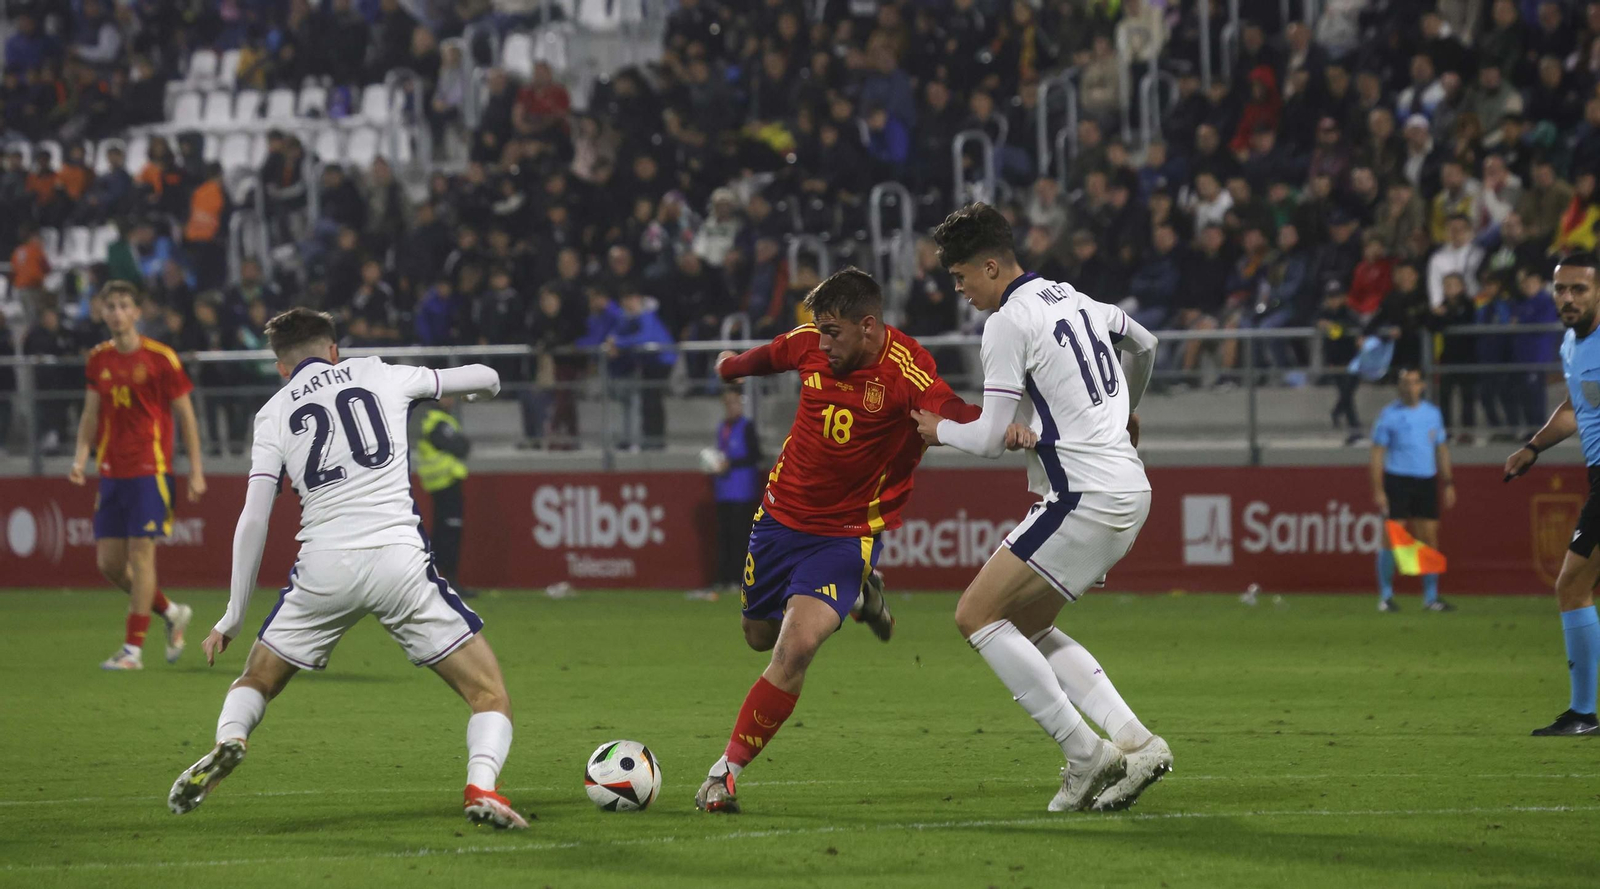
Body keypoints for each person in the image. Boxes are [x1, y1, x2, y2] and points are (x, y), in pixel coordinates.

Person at [166, 308, 529, 828]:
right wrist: (480, 390)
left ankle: (230, 739)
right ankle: (481, 788)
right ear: (334, 350)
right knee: (488, 694)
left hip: (324, 567)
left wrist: (232, 616)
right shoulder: (379, 372)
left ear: (281, 367)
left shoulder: (272, 413)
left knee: (258, 677)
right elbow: (486, 376)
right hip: (398, 561)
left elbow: (254, 518)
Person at [695, 268, 1031, 814]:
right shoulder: (812, 343)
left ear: (868, 326)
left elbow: (951, 408)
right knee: (758, 637)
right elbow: (772, 355)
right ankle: (861, 595)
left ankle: (723, 774)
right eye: (820, 331)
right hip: (778, 520)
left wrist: (1002, 428)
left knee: (795, 648)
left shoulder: (906, 369)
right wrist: (730, 367)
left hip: (844, 535)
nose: (823, 343)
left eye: (833, 332)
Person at [914, 203, 1168, 814]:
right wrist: (1126, 410)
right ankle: (1137, 745)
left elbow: (986, 440)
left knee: (975, 615)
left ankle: (1086, 755)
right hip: (1127, 490)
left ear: (991, 266)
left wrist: (937, 430)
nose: (960, 290)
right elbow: (1145, 342)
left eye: (961, 277)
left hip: (1084, 496)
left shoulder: (1008, 321)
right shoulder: (1075, 299)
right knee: (1028, 623)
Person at [70, 282, 205, 671]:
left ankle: (132, 650)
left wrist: (196, 470)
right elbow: (90, 414)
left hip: (151, 470)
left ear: (136, 312)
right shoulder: (98, 359)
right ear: (102, 312)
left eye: (123, 306)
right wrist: (81, 457)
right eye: (110, 306)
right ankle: (171, 612)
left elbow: (186, 417)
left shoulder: (161, 358)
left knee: (141, 556)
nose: (116, 312)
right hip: (111, 472)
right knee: (110, 564)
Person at [1504, 253, 1600, 736]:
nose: (1568, 298)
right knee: (1577, 586)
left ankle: (1582, 714)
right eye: (1561, 289)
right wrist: (1533, 447)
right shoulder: (1571, 345)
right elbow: (1574, 406)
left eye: (1579, 289)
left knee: (1572, 586)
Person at [1370, 368, 1456, 613]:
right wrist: (1378, 489)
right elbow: (1377, 454)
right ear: (1399, 387)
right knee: (1392, 538)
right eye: (1405, 383)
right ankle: (1386, 596)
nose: (1410, 387)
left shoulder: (1432, 414)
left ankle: (1431, 597)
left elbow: (1441, 449)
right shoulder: (1388, 415)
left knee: (1429, 537)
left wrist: (1448, 482)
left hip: (1426, 480)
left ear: (1422, 386)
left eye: (1414, 382)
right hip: (1397, 479)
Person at [416, 395, 474, 598]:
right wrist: (461, 443)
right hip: (444, 482)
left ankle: (440, 581)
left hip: (443, 483)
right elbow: (461, 446)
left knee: (444, 533)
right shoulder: (438, 422)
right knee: (448, 533)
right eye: (447, 396)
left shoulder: (440, 421)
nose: (451, 400)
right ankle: (448, 581)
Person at [711, 387, 763, 594]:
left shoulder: (746, 427)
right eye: (727, 403)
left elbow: (755, 455)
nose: (730, 407)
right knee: (723, 536)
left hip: (743, 491)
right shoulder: (722, 427)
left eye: (733, 402)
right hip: (724, 490)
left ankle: (740, 579)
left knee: (740, 537)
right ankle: (724, 578)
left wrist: (730, 463)